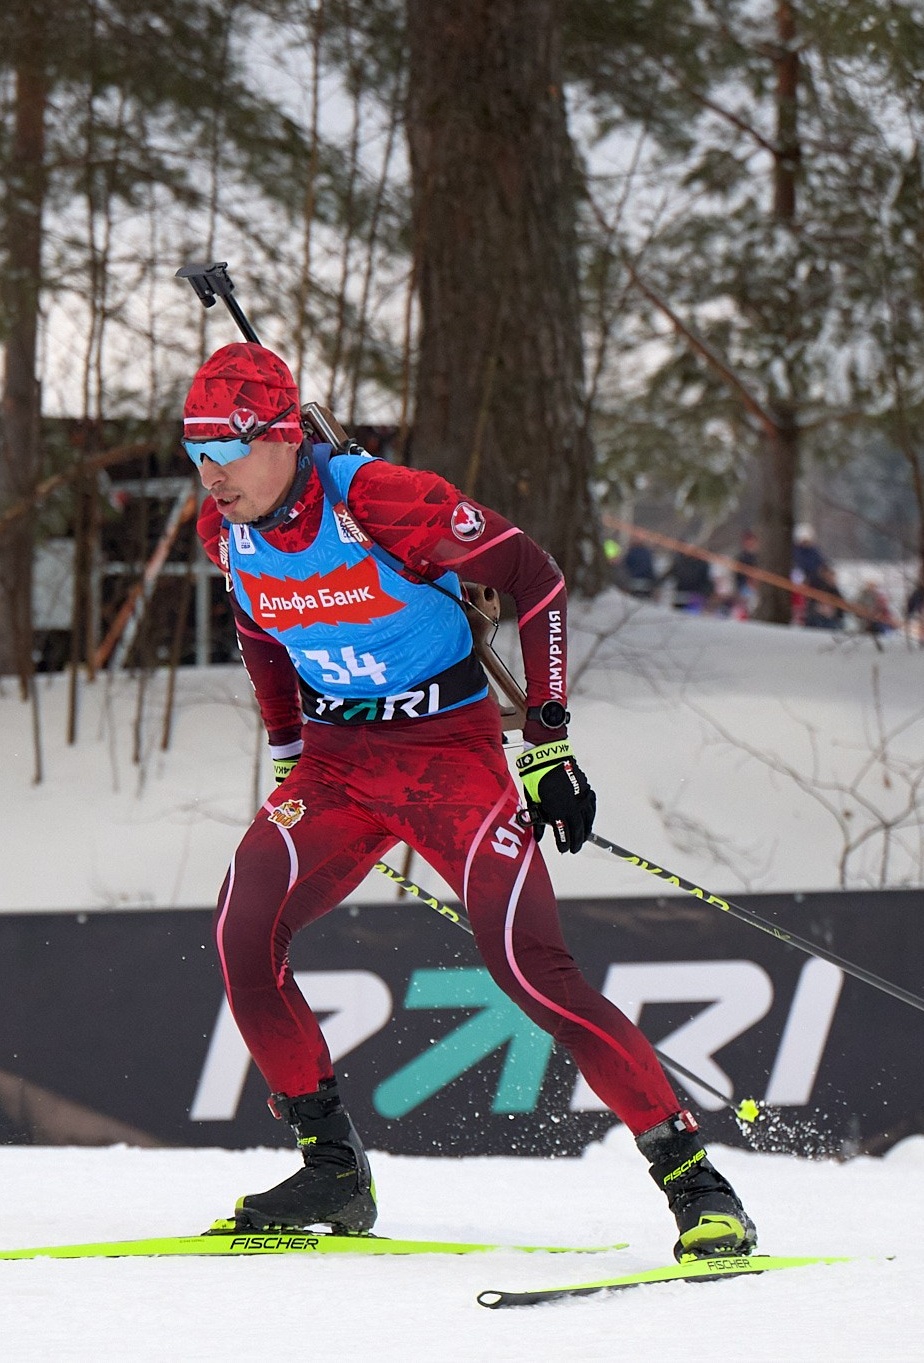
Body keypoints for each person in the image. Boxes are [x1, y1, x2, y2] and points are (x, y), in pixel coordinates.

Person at [184, 342, 756, 1259]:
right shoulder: (226, 530)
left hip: (446, 760)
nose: (211, 474)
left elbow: (538, 578)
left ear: (286, 436)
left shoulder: (381, 500)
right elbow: (259, 626)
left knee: (529, 964)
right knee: (241, 931)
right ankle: (332, 1171)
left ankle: (697, 1184)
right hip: (336, 765)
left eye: (227, 449)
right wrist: (288, 753)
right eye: (195, 451)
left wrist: (549, 741)